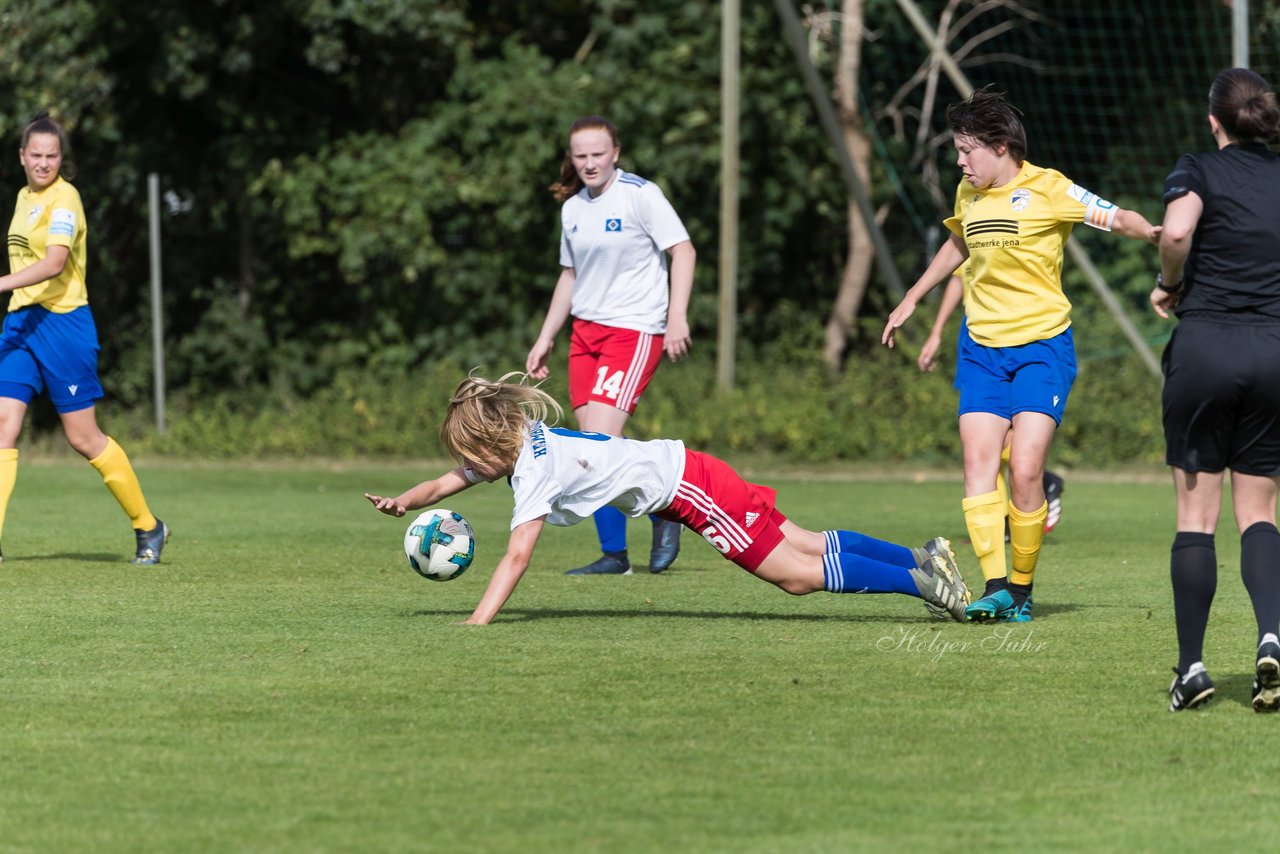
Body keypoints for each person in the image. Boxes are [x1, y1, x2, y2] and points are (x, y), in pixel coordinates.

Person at [365, 372, 971, 626]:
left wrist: (478, 620)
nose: (471, 467)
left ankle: (923, 585)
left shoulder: (533, 472)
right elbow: (446, 483)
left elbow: (518, 556)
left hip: (691, 491)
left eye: (474, 454)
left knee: (795, 576)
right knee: (804, 543)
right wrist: (403, 501)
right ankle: (922, 557)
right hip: (694, 470)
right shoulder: (525, 439)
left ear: (492, 441)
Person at [882, 87, 1159, 623]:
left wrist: (1151, 233)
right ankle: (995, 587)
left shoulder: (1048, 188)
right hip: (981, 349)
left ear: (1001, 145)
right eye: (957, 151)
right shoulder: (969, 195)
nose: (960, 162)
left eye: (967, 150)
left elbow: (1113, 215)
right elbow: (959, 244)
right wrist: (913, 297)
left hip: (1041, 348)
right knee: (978, 463)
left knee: (1027, 469)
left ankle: (1022, 589)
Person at [1149, 68, 1280, 713]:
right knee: (1259, 511)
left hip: (1206, 348)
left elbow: (1175, 233)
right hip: (1275, 352)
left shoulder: (1198, 167)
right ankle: (1272, 638)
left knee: (1195, 518)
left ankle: (1193, 669)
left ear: (1214, 121)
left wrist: (1170, 284)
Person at [526, 116, 695, 577]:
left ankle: (666, 508)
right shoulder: (573, 209)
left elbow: (683, 250)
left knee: (599, 443)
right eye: (580, 156)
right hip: (585, 336)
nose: (588, 163)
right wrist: (545, 338)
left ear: (615, 152)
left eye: (597, 154)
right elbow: (570, 276)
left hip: (634, 330)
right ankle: (614, 554)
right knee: (592, 447)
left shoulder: (642, 195)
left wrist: (676, 316)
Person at [0, 112, 168, 564]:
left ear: (60, 159)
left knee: (82, 438)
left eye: (51, 156)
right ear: (21, 156)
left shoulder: (66, 199)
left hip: (63, 325)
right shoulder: (21, 197)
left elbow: (55, 264)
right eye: (34, 155)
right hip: (20, 324)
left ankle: (149, 527)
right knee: (2, 425)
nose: (42, 163)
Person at [918, 268, 1066, 538]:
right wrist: (936, 332)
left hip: (1013, 331)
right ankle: (1003, 519)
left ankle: (1034, 479)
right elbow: (957, 279)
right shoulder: (969, 229)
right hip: (975, 335)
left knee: (994, 439)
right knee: (979, 440)